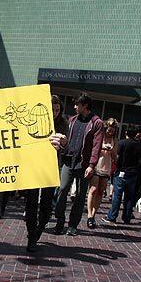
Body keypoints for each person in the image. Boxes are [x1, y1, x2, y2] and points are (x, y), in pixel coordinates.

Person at [52, 93, 104, 236]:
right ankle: (59, 221)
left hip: (84, 165)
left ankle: (73, 225)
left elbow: (96, 146)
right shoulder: (72, 120)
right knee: (62, 190)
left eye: (77, 105)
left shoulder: (97, 123)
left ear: (85, 106)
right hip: (68, 161)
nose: (74, 107)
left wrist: (92, 165)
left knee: (80, 196)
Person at [24, 95, 69, 251]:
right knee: (31, 201)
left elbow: (65, 144)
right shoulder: (35, 119)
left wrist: (62, 142)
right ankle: (31, 236)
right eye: (52, 109)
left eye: (58, 109)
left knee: (46, 203)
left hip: (50, 167)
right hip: (34, 165)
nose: (55, 112)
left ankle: (39, 229)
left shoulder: (62, 123)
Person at [102, 125, 141, 225]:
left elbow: (117, 158)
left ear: (126, 133)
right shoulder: (140, 145)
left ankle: (112, 216)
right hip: (134, 173)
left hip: (122, 172)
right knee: (129, 197)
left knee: (117, 196)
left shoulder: (122, 143)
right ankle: (126, 217)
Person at [85, 118, 119, 229]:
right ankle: (89, 215)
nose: (110, 132)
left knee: (100, 191)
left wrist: (112, 150)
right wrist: (102, 147)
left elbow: (115, 158)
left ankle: (93, 215)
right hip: (96, 165)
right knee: (93, 189)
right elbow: (93, 150)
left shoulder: (115, 140)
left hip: (106, 167)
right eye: (109, 130)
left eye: (112, 130)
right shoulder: (99, 136)